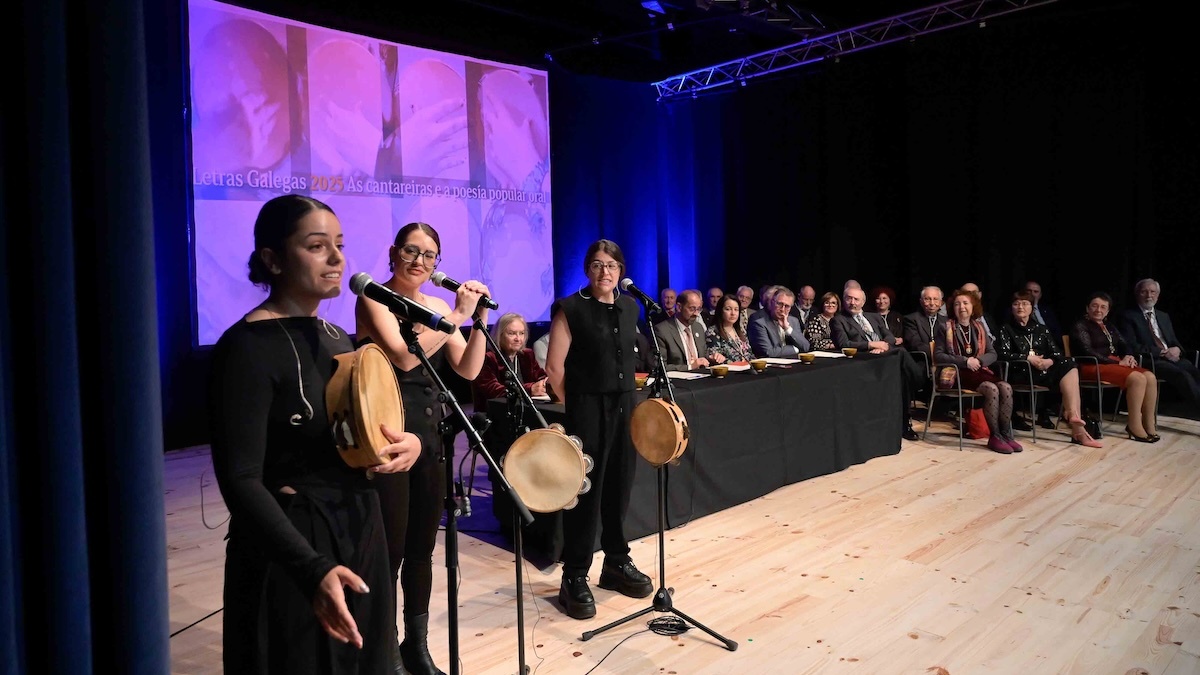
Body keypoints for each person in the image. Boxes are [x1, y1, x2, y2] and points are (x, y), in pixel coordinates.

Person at [208, 194, 423, 674]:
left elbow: (355, 437)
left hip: (360, 528)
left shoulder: (336, 338)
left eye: (340, 245)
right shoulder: (244, 349)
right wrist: (310, 567)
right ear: (273, 259)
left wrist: (406, 444)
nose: (336, 258)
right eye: (316, 246)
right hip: (292, 548)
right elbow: (241, 479)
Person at [355, 221, 492, 675]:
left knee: (421, 550)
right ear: (393, 253)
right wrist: (454, 315)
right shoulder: (374, 296)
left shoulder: (436, 305)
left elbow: (469, 371)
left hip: (431, 436)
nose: (420, 261)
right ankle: (384, 647)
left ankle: (417, 644)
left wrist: (479, 321)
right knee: (389, 550)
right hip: (386, 435)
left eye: (429, 254)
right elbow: (404, 356)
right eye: (411, 251)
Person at [544, 239, 654, 620]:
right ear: (586, 270)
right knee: (587, 493)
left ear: (620, 270)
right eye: (596, 265)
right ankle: (574, 575)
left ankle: (615, 562)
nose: (604, 272)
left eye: (610, 265)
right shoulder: (570, 309)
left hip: (625, 405)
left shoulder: (630, 306)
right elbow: (555, 369)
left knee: (619, 486)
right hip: (587, 408)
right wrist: (579, 406)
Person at [996, 291, 1101, 447]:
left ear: (1032, 307)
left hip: (1042, 371)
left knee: (1070, 365)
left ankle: (1073, 415)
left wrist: (1049, 361)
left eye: (1025, 303)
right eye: (1016, 303)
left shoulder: (1041, 328)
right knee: (1068, 368)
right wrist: (1027, 358)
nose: (1020, 307)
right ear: (1011, 307)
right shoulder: (1006, 328)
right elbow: (1002, 354)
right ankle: (1077, 429)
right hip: (1021, 373)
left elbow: (1056, 352)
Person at [934, 288, 1022, 454]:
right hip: (957, 372)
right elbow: (939, 356)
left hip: (978, 370)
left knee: (1006, 387)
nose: (962, 307)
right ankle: (994, 436)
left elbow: (992, 353)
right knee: (991, 388)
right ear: (953, 307)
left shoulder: (979, 326)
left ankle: (1006, 434)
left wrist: (979, 361)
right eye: (958, 304)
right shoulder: (944, 327)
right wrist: (965, 361)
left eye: (966, 303)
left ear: (973, 306)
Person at [831, 286, 924, 441]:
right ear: (844, 299)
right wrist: (872, 345)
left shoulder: (874, 317)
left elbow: (889, 337)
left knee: (902, 378)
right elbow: (844, 343)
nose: (852, 302)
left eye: (856, 299)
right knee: (900, 353)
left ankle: (904, 424)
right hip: (863, 360)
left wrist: (883, 346)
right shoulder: (838, 320)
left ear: (863, 302)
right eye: (849, 298)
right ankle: (920, 381)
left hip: (883, 355)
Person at [1070, 292, 1160, 442]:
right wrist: (1118, 363)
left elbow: (1124, 344)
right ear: (1087, 308)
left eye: (1103, 307)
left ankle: (1148, 423)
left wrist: (1128, 356)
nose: (1099, 310)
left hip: (1112, 363)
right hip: (1091, 365)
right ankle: (1134, 424)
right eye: (1094, 306)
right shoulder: (1080, 325)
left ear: (1108, 311)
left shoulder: (1109, 326)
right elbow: (1086, 351)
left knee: (1150, 377)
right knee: (1137, 378)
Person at [1119, 278, 1200, 414]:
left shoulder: (1163, 316)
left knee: (1195, 372)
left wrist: (1178, 349)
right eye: (1144, 292)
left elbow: (1174, 341)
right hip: (1149, 359)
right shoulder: (1127, 316)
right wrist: (1161, 352)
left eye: (1152, 292)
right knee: (1182, 375)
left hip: (1171, 358)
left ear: (1158, 295)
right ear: (1137, 294)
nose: (1149, 296)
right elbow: (1131, 346)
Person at [471, 312, 548, 413]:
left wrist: (545, 384)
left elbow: (541, 377)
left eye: (522, 333)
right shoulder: (487, 358)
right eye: (512, 333)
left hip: (526, 410)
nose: (518, 338)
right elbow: (493, 391)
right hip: (495, 414)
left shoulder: (527, 355)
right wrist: (530, 389)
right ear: (500, 335)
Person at [653, 289, 716, 370]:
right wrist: (690, 367)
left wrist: (712, 358)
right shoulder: (662, 330)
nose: (696, 314)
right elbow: (659, 367)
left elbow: (703, 355)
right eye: (692, 309)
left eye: (698, 309)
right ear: (679, 307)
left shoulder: (698, 327)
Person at [747, 286, 810, 358]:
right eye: (779, 304)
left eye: (787, 306)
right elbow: (768, 352)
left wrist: (787, 329)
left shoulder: (793, 321)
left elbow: (806, 347)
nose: (782, 309)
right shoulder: (760, 323)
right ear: (772, 303)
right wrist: (794, 349)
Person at [705, 294, 754, 363]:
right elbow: (715, 358)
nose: (733, 313)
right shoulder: (713, 332)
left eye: (736, 310)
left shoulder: (741, 330)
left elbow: (750, 355)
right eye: (728, 309)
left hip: (747, 370)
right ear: (720, 311)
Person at [901, 286, 947, 356]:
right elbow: (915, 344)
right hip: (922, 361)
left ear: (941, 302)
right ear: (921, 302)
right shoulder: (911, 319)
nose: (932, 303)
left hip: (944, 362)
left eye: (935, 299)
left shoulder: (946, 321)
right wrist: (939, 354)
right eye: (927, 299)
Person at [1023, 280, 1064, 349]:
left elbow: (1057, 333)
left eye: (1035, 292)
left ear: (1040, 295)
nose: (1032, 294)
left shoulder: (1047, 311)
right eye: (1029, 291)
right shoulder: (1016, 311)